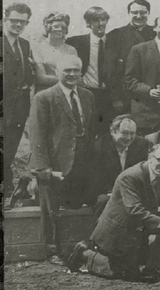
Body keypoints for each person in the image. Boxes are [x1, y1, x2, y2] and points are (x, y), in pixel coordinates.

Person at [68, 144, 160, 282]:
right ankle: (86, 253)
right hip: (119, 230)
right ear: (150, 157)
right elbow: (135, 210)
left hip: (140, 226)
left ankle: (152, 268)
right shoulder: (131, 176)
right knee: (125, 274)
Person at [28, 54, 95, 265]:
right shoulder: (44, 97)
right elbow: (37, 134)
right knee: (51, 209)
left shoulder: (87, 96)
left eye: (76, 70)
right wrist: (42, 166)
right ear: (57, 72)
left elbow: (90, 129)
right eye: (67, 70)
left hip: (81, 162)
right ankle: (52, 251)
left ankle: (87, 247)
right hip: (54, 163)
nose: (72, 74)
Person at [3, 3, 35, 199]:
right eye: (14, 20)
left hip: (20, 105)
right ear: (5, 19)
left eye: (22, 22)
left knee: (11, 145)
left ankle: (7, 189)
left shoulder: (24, 44)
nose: (18, 25)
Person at [66, 6, 114, 133]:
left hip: (108, 95)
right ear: (88, 23)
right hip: (86, 92)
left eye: (103, 20)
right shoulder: (76, 42)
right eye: (96, 20)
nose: (101, 23)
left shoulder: (114, 42)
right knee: (86, 129)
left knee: (106, 132)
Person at [91, 115, 150, 215]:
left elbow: (142, 174)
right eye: (124, 133)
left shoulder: (141, 144)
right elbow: (95, 179)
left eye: (132, 133)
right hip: (106, 191)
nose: (129, 137)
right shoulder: (98, 147)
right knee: (104, 201)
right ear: (112, 131)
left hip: (131, 191)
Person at [106, 0, 156, 115]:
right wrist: (116, 98)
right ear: (129, 13)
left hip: (150, 94)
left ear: (148, 13)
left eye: (143, 12)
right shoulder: (115, 35)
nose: (138, 16)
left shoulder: (155, 33)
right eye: (134, 12)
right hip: (125, 95)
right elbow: (110, 69)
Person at [31, 11, 79, 93]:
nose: (60, 29)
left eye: (63, 27)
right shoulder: (38, 48)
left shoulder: (71, 50)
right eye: (56, 26)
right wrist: (68, 79)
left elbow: (76, 75)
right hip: (45, 93)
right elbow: (41, 78)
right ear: (48, 27)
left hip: (66, 93)